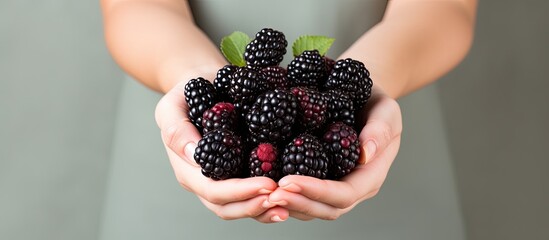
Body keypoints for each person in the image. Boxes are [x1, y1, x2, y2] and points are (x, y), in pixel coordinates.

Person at [101, 0, 476, 225]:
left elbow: (446, 6)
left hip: (380, 135)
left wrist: (368, 82)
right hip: (178, 153)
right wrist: (189, 77)